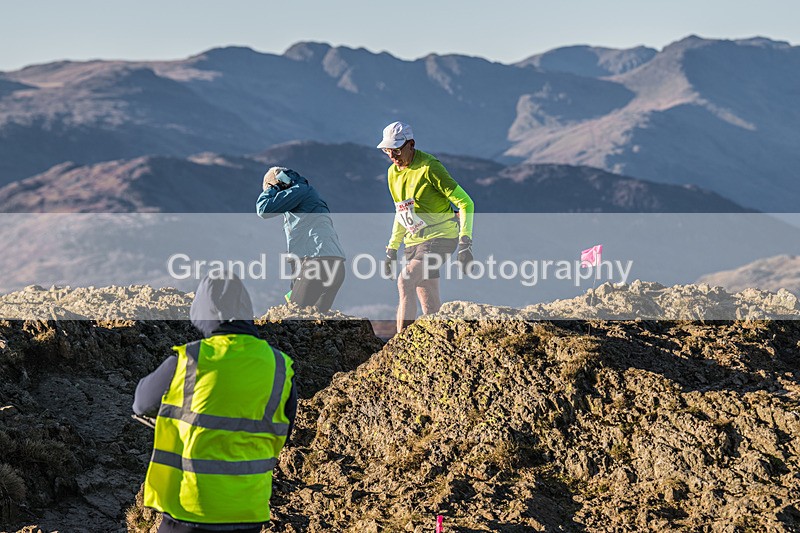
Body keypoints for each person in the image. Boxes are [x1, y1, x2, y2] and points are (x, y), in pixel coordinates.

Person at [133, 272, 296, 533]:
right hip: (248, 512)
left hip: (189, 510)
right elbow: (283, 431)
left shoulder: (190, 359)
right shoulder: (278, 366)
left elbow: (141, 404)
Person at [377, 121, 475, 334]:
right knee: (430, 306)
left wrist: (465, 243)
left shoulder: (430, 167)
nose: (392, 156)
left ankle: (400, 345)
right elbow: (401, 212)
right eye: (387, 150)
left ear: (410, 144)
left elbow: (466, 202)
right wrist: (391, 249)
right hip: (413, 242)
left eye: (396, 150)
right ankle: (443, 346)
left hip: (440, 237)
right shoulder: (392, 173)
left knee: (405, 280)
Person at [256, 166, 346, 312]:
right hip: (335, 266)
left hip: (317, 263)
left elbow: (263, 209)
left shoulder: (299, 191)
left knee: (294, 315)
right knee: (314, 325)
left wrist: (272, 188)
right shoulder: (308, 195)